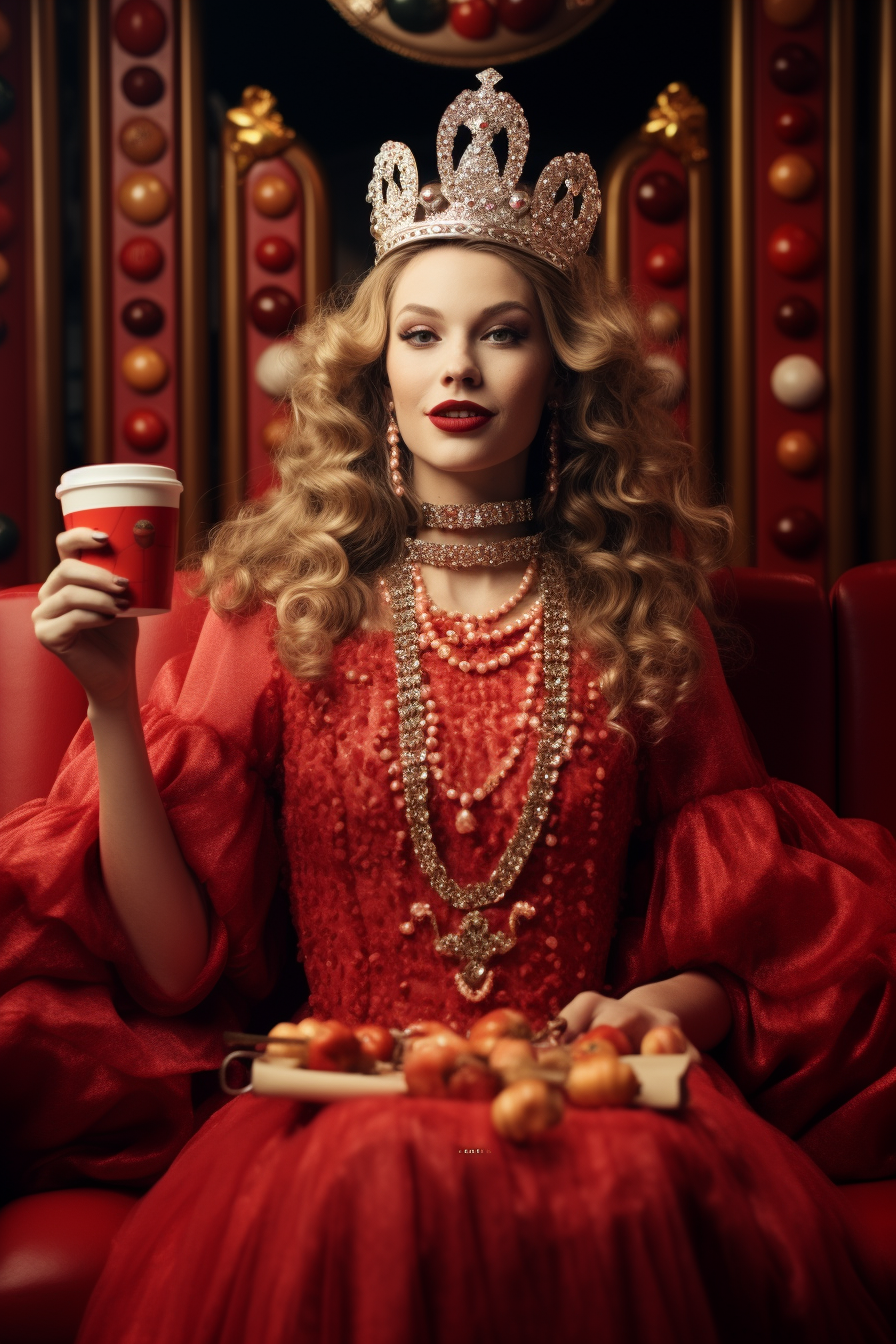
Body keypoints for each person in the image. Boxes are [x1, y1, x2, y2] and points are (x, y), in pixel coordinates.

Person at [2, 68, 895, 1343]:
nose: (457, 368)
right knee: (375, 1186)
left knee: (619, 1196)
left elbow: (737, 936)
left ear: (561, 369)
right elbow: (167, 963)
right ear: (375, 375)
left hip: (586, 1096)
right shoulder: (282, 608)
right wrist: (105, 705)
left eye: (501, 331)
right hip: (338, 1100)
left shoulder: (641, 615)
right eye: (420, 334)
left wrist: (658, 1009)